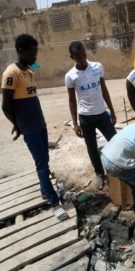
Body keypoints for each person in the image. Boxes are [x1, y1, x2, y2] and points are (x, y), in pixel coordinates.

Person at [1, 34, 69, 221]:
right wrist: (17, 124)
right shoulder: (11, 73)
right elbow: (6, 105)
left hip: (40, 124)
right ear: (21, 51)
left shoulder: (30, 71)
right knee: (41, 164)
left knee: (45, 158)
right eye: (33, 53)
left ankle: (44, 190)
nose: (35, 57)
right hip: (29, 128)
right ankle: (55, 204)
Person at [65, 41, 117, 190]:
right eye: (78, 57)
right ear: (72, 57)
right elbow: (71, 101)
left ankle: (119, 167)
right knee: (92, 148)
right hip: (86, 118)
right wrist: (75, 123)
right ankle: (100, 174)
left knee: (115, 141)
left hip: (101, 114)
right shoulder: (70, 76)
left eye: (84, 55)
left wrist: (112, 111)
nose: (82, 60)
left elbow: (104, 90)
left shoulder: (97, 67)